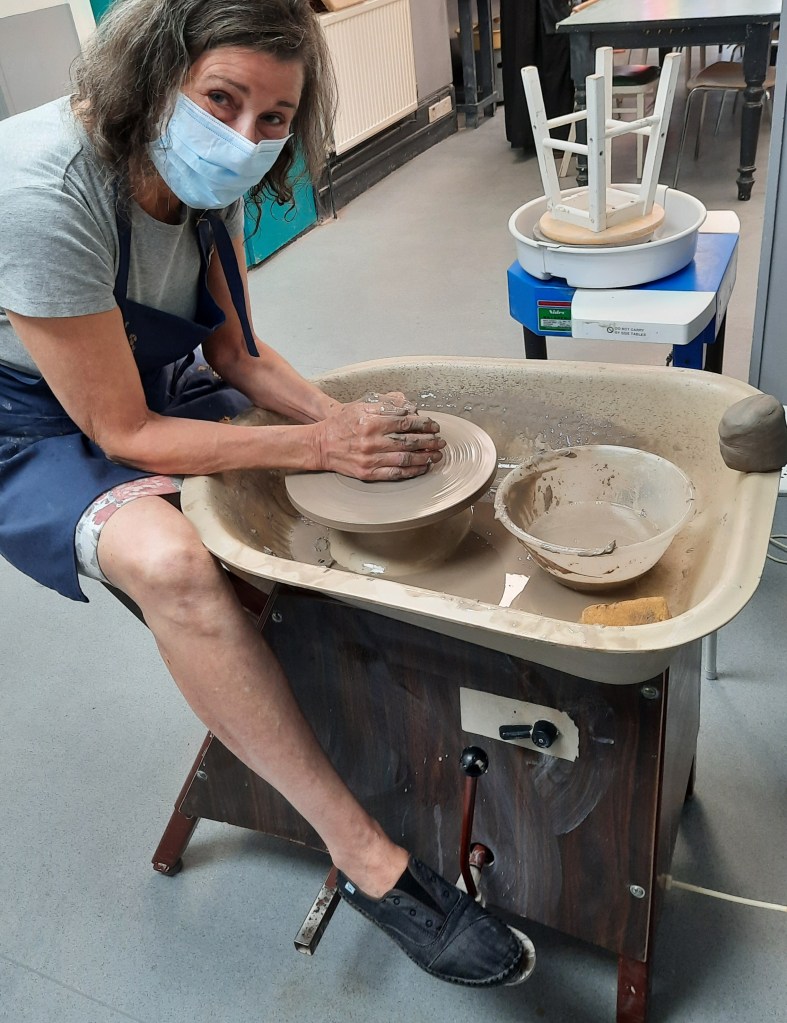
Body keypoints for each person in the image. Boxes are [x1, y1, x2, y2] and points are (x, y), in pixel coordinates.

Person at [0, 0, 533, 988]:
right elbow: (121, 434)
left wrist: (343, 425)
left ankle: (349, 709)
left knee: (319, 474)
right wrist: (322, 444)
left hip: (146, 383)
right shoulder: (44, 189)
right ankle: (368, 860)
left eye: (275, 118)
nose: (245, 136)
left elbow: (236, 353)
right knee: (175, 565)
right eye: (222, 99)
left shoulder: (217, 170)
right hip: (28, 420)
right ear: (153, 79)